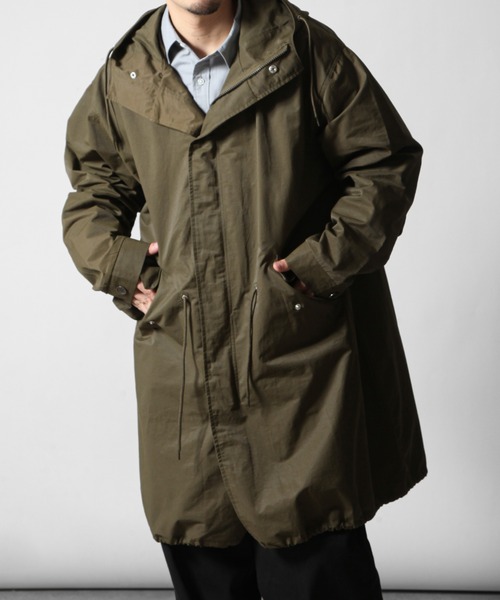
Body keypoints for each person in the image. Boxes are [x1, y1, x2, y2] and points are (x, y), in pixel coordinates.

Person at [62, 0, 427, 598]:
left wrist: (316, 268)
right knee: (201, 547)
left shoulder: (304, 48)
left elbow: (382, 164)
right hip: (184, 367)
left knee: (315, 551)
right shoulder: (126, 73)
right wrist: (127, 269)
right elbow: (93, 192)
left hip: (295, 359)